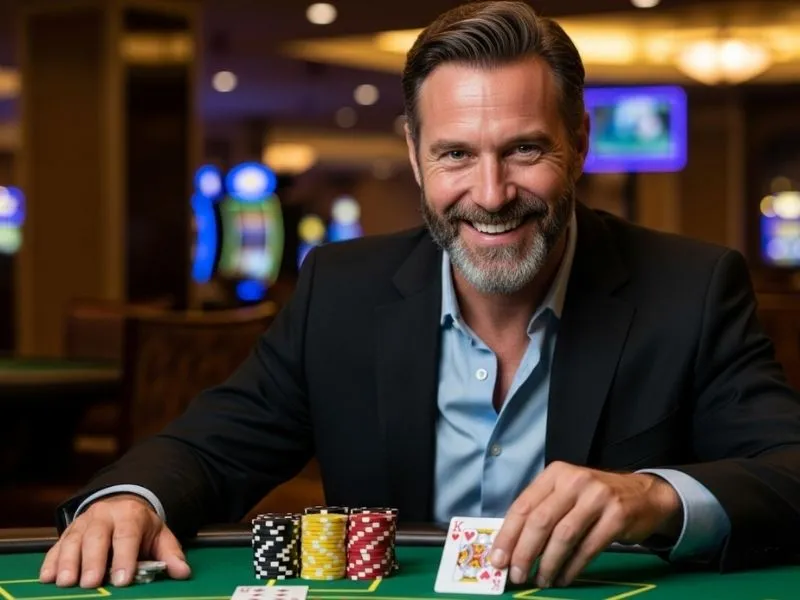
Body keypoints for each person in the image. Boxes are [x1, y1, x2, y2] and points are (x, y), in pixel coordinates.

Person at [40, 0, 800, 592]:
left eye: (525, 149)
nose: (492, 193)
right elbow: (208, 446)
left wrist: (653, 499)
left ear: (580, 142)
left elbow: (791, 470)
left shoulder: (691, 287)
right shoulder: (340, 289)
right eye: (456, 155)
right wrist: (131, 499)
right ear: (413, 154)